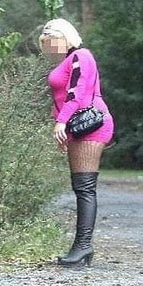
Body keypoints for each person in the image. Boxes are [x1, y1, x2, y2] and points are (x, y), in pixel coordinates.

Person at [39, 18, 114, 267]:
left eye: (51, 41)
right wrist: (63, 128)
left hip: (91, 124)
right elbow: (60, 98)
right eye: (45, 43)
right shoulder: (69, 60)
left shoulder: (82, 56)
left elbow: (76, 93)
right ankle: (82, 246)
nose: (48, 47)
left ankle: (83, 246)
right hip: (77, 127)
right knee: (80, 186)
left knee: (85, 187)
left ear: (64, 37)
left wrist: (61, 123)